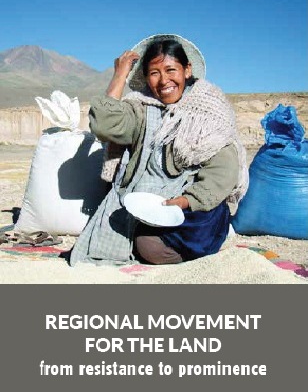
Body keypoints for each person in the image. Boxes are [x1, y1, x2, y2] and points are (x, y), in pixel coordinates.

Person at [70, 34, 248, 266]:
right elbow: (104, 126)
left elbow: (223, 171)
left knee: (152, 245)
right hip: (146, 202)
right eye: (154, 73)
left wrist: (185, 201)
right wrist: (119, 75)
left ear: (187, 70)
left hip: (192, 204)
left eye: (171, 70)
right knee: (128, 238)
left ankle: (206, 243)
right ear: (146, 77)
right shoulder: (140, 108)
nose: (164, 80)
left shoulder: (209, 110)